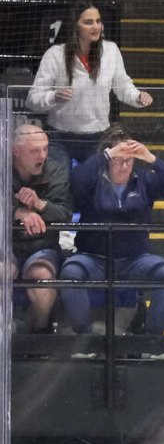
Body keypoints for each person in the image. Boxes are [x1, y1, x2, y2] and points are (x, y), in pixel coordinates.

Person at [61, 129, 164, 337]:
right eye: (119, 159)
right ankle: (84, 337)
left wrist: (150, 157)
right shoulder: (92, 180)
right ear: (108, 158)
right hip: (93, 258)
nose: (125, 165)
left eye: (130, 160)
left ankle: (152, 341)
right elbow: (76, 179)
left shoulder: (145, 180)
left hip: (135, 259)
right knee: (70, 273)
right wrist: (107, 154)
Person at [26, 0, 153, 165]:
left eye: (98, 21)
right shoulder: (55, 54)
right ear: (75, 26)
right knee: (61, 186)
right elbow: (32, 99)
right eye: (88, 22)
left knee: (91, 186)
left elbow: (124, 87)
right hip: (60, 137)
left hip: (98, 137)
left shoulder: (111, 51)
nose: (96, 27)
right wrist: (53, 97)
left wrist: (138, 97)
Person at [9, 124, 71, 334]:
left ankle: (41, 330)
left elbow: (65, 214)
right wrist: (16, 213)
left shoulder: (56, 170)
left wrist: (39, 204)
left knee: (41, 275)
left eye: (45, 148)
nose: (43, 155)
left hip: (42, 245)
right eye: (35, 150)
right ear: (15, 151)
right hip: (6, 244)